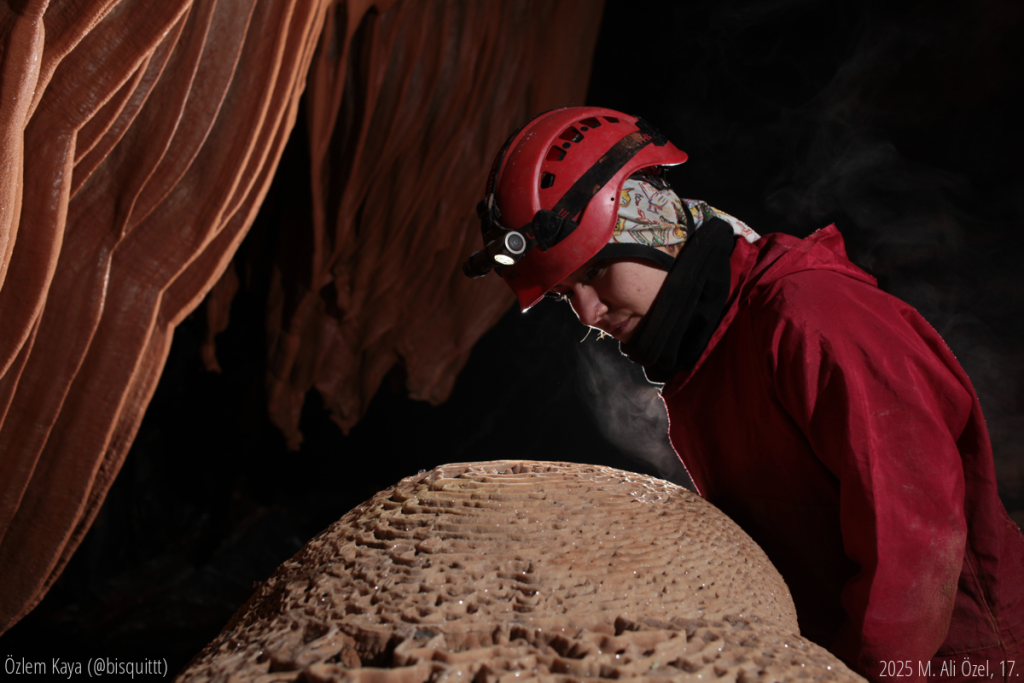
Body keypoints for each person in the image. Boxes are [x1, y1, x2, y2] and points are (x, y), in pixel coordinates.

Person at [463, 106, 1024, 682]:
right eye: (564, 295)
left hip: (961, 662)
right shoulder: (702, 361)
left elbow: (917, 548)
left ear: (652, 228)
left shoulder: (809, 320)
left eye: (594, 273)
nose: (588, 313)